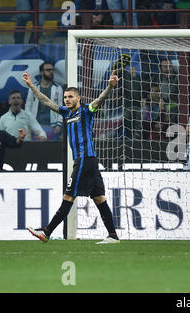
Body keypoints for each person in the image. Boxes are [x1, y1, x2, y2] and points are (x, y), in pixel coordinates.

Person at [22, 70, 121, 244]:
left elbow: (99, 101)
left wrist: (109, 87)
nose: (66, 99)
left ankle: (47, 232)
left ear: (78, 98)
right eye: (65, 97)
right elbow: (46, 101)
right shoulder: (66, 113)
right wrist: (31, 85)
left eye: (70, 97)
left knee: (68, 197)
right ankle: (113, 235)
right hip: (87, 161)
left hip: (85, 160)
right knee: (99, 198)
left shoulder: (86, 110)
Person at [25, 62, 64, 141]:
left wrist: (59, 125)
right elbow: (28, 107)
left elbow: (61, 108)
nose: (51, 72)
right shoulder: (33, 87)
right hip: (36, 127)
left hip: (52, 127)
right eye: (48, 70)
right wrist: (30, 126)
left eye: (52, 70)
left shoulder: (58, 88)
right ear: (42, 72)